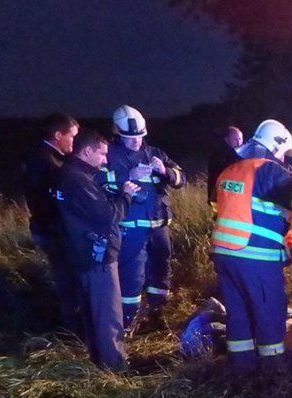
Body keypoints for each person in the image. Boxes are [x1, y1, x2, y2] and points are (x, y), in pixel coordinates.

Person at [210, 119, 292, 371]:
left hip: (225, 255)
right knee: (268, 313)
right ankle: (274, 376)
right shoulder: (269, 170)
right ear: (276, 144)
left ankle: (242, 374)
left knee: (239, 316)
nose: (283, 159)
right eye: (283, 152)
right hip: (255, 256)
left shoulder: (231, 169)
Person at [54, 130, 139, 370]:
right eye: (101, 154)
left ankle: (98, 362)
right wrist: (126, 196)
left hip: (80, 254)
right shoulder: (77, 180)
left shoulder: (68, 175)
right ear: (87, 151)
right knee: (108, 315)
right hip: (96, 257)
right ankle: (115, 366)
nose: (105, 160)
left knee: (93, 314)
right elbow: (107, 216)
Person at [102, 105, 185, 331]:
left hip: (159, 227)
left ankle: (157, 314)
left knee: (161, 270)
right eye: (130, 138)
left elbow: (181, 178)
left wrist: (165, 172)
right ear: (117, 133)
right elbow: (100, 183)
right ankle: (126, 325)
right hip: (131, 229)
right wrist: (127, 177)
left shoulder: (156, 153)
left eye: (139, 137)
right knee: (132, 275)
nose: (136, 141)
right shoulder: (108, 154)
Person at [22, 112, 81, 333]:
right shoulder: (44, 162)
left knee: (67, 277)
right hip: (53, 231)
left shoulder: (47, 157)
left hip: (51, 229)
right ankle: (72, 329)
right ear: (58, 135)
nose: (74, 143)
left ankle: (72, 323)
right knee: (67, 278)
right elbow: (48, 201)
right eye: (72, 137)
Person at [207, 125, 243, 204]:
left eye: (240, 139)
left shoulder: (236, 155)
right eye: (235, 139)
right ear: (226, 139)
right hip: (223, 199)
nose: (238, 142)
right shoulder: (223, 155)